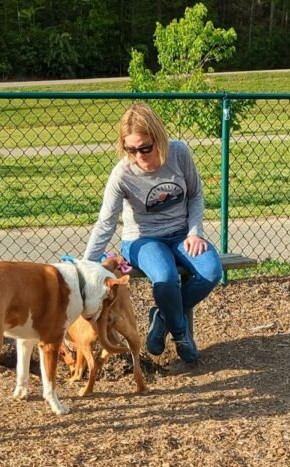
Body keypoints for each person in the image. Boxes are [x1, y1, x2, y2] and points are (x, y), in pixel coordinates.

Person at [82, 103, 222, 364]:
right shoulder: (122, 174)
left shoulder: (179, 153)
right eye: (131, 149)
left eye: (145, 147)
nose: (139, 155)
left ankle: (163, 317)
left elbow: (195, 195)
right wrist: (85, 265)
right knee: (165, 277)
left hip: (182, 233)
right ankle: (180, 333)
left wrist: (195, 232)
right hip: (142, 239)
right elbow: (106, 223)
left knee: (211, 271)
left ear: (159, 138)